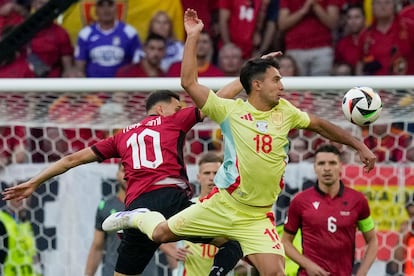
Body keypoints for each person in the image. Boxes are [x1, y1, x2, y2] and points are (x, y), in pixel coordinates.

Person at [101, 9, 376, 276]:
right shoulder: (230, 111)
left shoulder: (286, 111)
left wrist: (359, 145)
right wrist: (194, 35)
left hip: (258, 215)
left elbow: (319, 124)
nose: (282, 85)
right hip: (224, 204)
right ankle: (133, 217)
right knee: (160, 233)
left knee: (275, 273)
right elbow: (188, 82)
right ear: (257, 85)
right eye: (276, 79)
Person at [2, 87, 244, 276]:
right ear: (161, 109)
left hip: (138, 207)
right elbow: (216, 98)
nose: (180, 109)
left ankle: (129, 219)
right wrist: (247, 77)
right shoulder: (173, 121)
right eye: (177, 106)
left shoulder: (121, 136)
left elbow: (72, 159)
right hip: (173, 199)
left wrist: (34, 182)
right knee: (234, 242)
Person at [282, 144, 378, 276]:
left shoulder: (357, 200)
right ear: (315, 168)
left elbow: (372, 240)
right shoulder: (300, 201)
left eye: (332, 163)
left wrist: (361, 273)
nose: (327, 168)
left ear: (340, 166)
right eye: (321, 163)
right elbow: (285, 242)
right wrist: (307, 265)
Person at [175, 151, 234, 275]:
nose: (212, 178)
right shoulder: (187, 208)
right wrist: (171, 250)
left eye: (216, 173)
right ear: (198, 177)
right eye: (207, 173)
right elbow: (158, 231)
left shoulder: (231, 210)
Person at [73, 0, 142, 77]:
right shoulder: (85, 34)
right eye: (101, 5)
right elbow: (79, 68)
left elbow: (137, 65)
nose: (106, 9)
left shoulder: (129, 32)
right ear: (95, 10)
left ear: (116, 8)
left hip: (122, 86)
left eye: (110, 4)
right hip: (93, 86)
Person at [84, 163, 126, 276]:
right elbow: (97, 247)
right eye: (123, 171)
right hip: (111, 272)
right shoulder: (105, 206)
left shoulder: (148, 204)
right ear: (117, 174)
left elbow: (164, 241)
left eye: (132, 171)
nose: (127, 175)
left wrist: (176, 268)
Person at [278, 0, 340, 76]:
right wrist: (303, 10)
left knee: (321, 87)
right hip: (295, 49)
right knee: (295, 87)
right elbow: (282, 24)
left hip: (321, 49)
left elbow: (333, 23)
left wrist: (315, 6)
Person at [0, 182, 39, 275]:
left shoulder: (26, 224)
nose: (23, 200)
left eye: (26, 196)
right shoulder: (2, 221)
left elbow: (33, 256)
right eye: (18, 195)